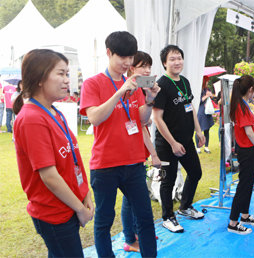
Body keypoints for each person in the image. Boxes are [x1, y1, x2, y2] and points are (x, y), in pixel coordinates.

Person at [79, 31, 159, 257]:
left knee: (144, 217)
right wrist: (119, 93)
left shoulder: (135, 84)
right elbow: (94, 117)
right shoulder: (93, 83)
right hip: (105, 164)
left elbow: (141, 120)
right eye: (121, 57)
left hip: (133, 161)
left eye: (130, 57)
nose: (126, 63)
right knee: (104, 221)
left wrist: (151, 100)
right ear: (108, 53)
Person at [12, 49, 94, 257]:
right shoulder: (32, 118)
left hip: (68, 206)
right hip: (54, 212)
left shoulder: (54, 111)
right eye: (61, 73)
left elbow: (70, 160)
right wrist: (80, 209)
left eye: (67, 73)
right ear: (40, 77)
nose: (67, 80)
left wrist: (85, 194)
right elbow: (49, 176)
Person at [152, 45, 205, 233]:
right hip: (167, 144)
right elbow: (157, 118)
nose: (177, 62)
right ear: (165, 63)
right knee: (169, 180)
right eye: (172, 59)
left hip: (186, 140)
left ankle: (185, 207)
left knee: (196, 172)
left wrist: (199, 131)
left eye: (179, 58)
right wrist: (173, 143)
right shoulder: (161, 85)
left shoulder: (184, 81)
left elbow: (190, 107)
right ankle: (168, 217)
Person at [120, 50, 162, 252]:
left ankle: (137, 233)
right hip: (124, 155)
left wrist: (150, 98)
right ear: (131, 67)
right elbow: (139, 126)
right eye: (142, 66)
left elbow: (142, 124)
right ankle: (131, 238)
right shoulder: (122, 89)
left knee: (133, 199)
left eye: (149, 66)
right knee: (131, 199)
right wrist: (153, 154)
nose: (147, 70)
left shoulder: (140, 91)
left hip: (137, 153)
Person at [227, 75, 254, 235]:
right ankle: (233, 223)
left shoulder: (243, 104)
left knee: (248, 184)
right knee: (243, 185)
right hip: (247, 150)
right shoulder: (241, 107)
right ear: (250, 90)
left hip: (249, 149)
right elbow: (249, 132)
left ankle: (244, 215)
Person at [196, 76, 215, 154]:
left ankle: (206, 147)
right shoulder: (198, 90)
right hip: (200, 112)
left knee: (207, 130)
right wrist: (206, 96)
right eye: (206, 81)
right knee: (198, 130)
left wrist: (211, 95)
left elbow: (213, 99)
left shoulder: (208, 89)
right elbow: (198, 101)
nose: (208, 83)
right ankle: (198, 147)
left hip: (207, 112)